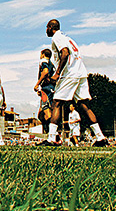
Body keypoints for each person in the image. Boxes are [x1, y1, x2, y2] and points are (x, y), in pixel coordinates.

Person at [41, 19, 108, 147]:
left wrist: (57, 73)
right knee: (84, 105)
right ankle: (100, 137)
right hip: (81, 73)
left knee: (57, 103)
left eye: (47, 28)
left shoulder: (57, 38)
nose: (46, 30)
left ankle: (51, 139)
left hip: (70, 74)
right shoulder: (68, 38)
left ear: (51, 27)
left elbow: (65, 53)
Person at [33, 48, 55, 134]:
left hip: (46, 88)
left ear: (43, 54)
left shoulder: (43, 61)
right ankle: (49, 130)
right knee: (42, 113)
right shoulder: (52, 64)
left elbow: (45, 71)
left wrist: (37, 83)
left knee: (46, 110)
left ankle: (53, 133)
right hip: (50, 88)